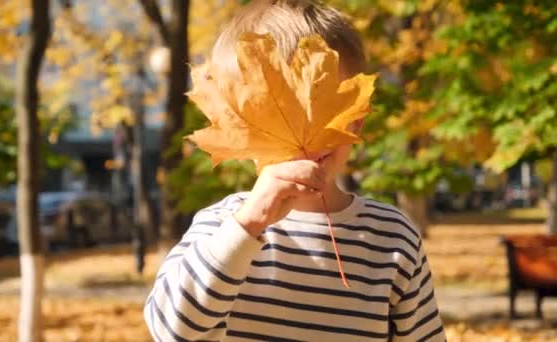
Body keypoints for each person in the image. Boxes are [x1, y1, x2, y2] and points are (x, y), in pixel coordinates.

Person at [144, 1, 445, 341]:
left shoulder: (392, 237)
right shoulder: (223, 226)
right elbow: (170, 329)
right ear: (238, 125)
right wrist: (248, 225)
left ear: (358, 118)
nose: (308, 136)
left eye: (322, 106)